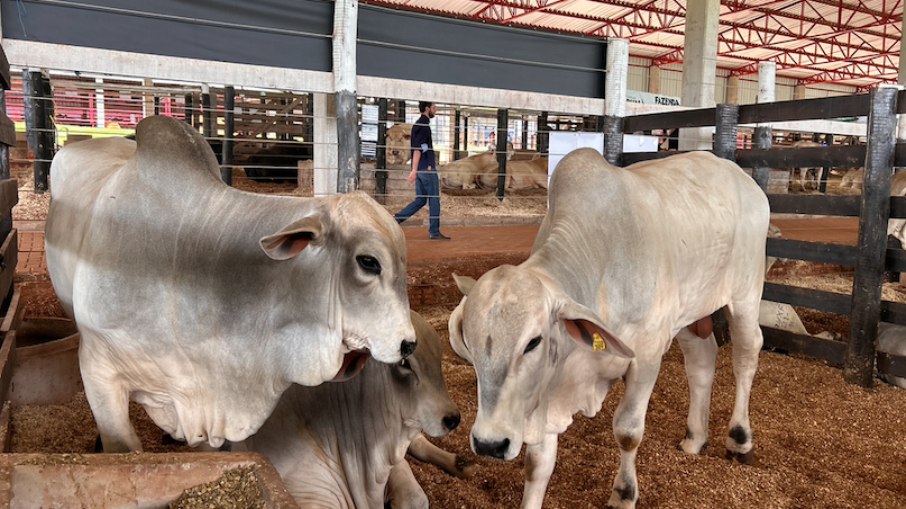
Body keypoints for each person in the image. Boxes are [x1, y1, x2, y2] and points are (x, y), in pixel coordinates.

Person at [393, 101, 451, 240]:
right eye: (434, 108)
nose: (435, 111)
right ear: (427, 109)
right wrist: (414, 170)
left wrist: (416, 168)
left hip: (421, 169)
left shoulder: (417, 125)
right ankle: (434, 231)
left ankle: (397, 220)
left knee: (420, 200)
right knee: (434, 200)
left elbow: (420, 147)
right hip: (427, 170)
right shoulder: (424, 126)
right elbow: (418, 149)